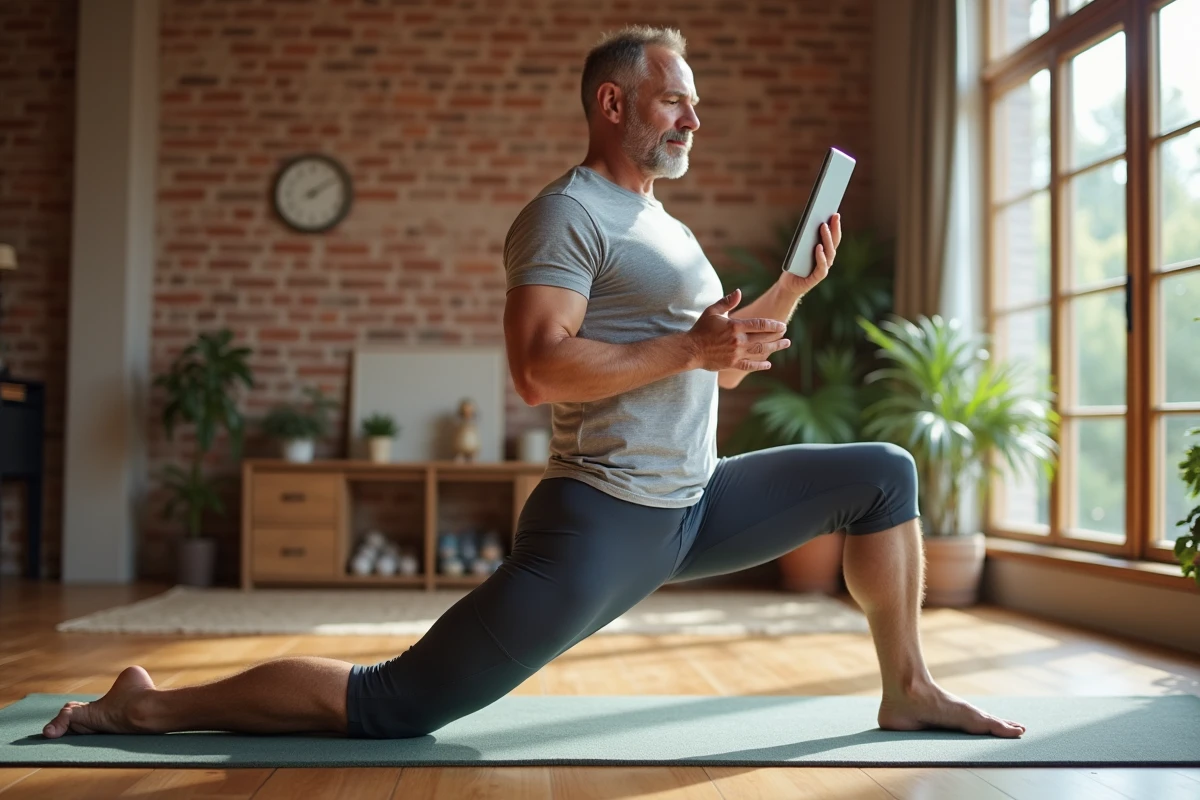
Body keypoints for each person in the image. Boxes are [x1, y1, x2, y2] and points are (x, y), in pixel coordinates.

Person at [41, 25, 1025, 741]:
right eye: (675, 97)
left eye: (695, 101)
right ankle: (148, 702)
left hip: (693, 501)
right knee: (393, 704)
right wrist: (692, 350)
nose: (694, 115)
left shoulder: (664, 225)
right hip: (605, 516)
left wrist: (794, 287)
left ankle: (908, 685)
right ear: (613, 102)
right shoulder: (566, 214)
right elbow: (535, 367)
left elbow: (717, 342)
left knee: (883, 474)